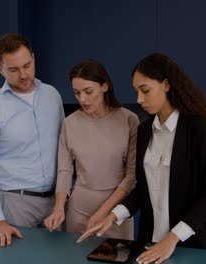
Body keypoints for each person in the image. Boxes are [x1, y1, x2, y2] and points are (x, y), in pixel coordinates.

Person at [78, 53, 206, 264]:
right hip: (148, 243)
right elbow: (142, 190)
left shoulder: (199, 129)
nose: (139, 99)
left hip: (189, 245)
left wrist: (171, 239)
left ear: (166, 85)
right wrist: (111, 216)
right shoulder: (145, 130)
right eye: (137, 91)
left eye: (145, 90)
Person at [0, 33, 64, 247]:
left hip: (56, 203)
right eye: (13, 69)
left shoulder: (52, 95)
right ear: (0, 69)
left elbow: (63, 148)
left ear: (33, 57)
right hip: (14, 205)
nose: (23, 74)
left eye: (27, 65)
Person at [43, 59, 139, 240]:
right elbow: (64, 170)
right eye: (77, 93)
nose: (82, 99)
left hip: (116, 214)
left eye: (88, 91)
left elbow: (132, 176)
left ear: (105, 86)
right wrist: (58, 208)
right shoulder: (69, 123)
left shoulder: (129, 120)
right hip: (78, 211)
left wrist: (104, 212)